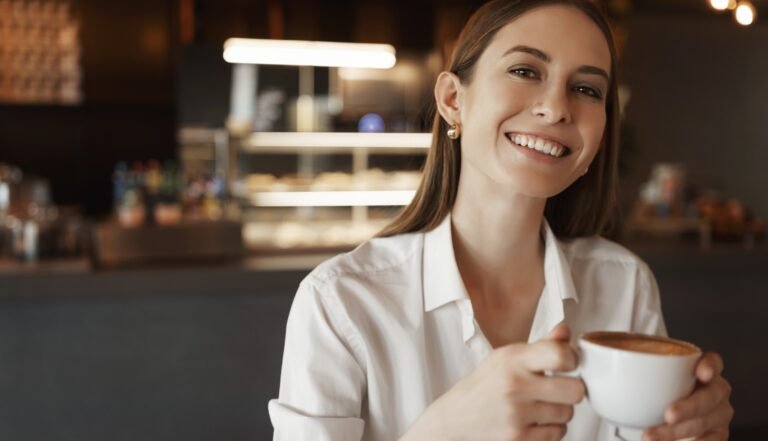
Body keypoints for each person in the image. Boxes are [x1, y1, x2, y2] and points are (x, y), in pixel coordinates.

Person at [268, 0, 734, 440]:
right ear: (453, 98)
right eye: (525, 71)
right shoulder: (340, 302)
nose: (556, 108)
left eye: (586, 89)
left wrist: (690, 429)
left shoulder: (624, 284)